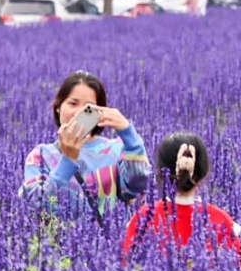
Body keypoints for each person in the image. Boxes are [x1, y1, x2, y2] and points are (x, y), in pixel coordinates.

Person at [19, 71, 150, 222]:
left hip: (111, 242)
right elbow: (36, 208)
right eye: (73, 103)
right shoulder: (41, 155)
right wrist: (67, 160)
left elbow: (137, 189)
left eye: (89, 107)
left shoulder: (115, 150)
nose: (79, 112)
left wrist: (129, 136)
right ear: (58, 107)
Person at [122, 133, 241, 271]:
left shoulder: (144, 216)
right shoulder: (221, 219)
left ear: (161, 172)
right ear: (204, 172)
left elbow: (124, 264)